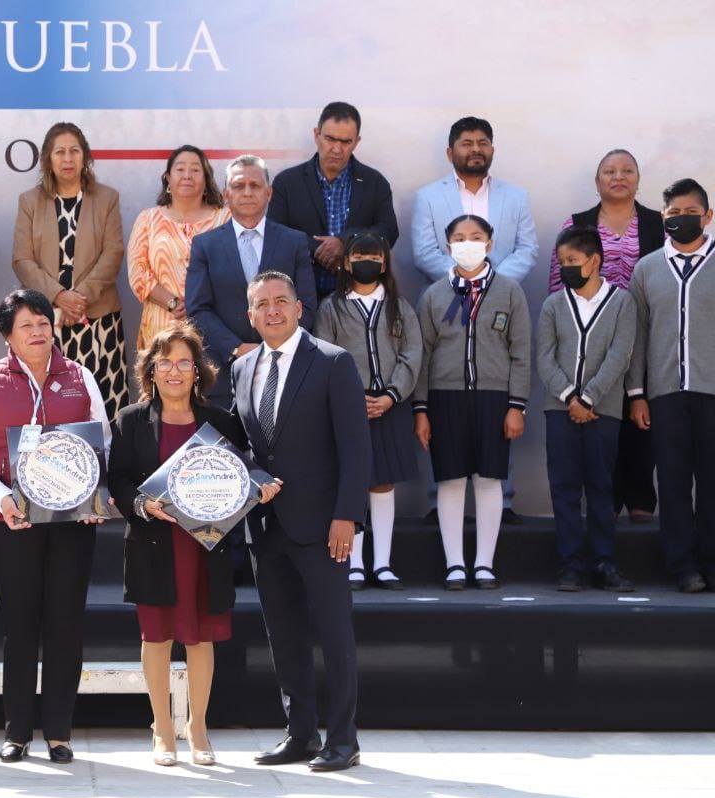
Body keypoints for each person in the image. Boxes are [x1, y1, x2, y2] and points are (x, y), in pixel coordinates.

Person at [108, 323, 280, 766]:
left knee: (202, 638)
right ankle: (162, 727)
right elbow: (120, 480)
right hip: (153, 543)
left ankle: (197, 725)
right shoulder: (130, 420)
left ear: (198, 371)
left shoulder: (219, 422)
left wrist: (261, 486)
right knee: (158, 637)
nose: (174, 371)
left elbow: (242, 472)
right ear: (151, 370)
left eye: (185, 362)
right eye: (164, 362)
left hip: (206, 549)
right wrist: (143, 505)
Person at [0, 289, 110, 764]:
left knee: (66, 623)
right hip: (14, 521)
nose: (38, 331)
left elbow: (101, 442)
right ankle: (17, 731)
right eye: (25, 325)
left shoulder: (79, 375)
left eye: (43, 322)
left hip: (73, 521)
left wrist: (96, 496)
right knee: (20, 626)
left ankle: (60, 732)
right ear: (7, 334)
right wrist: (2, 498)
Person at [232, 271, 369, 772]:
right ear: (250, 314)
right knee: (284, 635)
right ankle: (300, 734)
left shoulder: (333, 363)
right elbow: (242, 445)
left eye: (280, 301)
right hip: (266, 529)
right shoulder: (242, 369)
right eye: (261, 304)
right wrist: (250, 474)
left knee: (334, 634)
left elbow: (356, 450)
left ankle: (343, 739)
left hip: (322, 527)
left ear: (298, 307)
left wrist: (346, 517)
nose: (271, 310)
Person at [410, 117, 538, 524]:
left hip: (498, 303)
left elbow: (527, 249)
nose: (475, 149)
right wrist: (460, 280)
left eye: (483, 142)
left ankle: (503, 500)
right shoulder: (428, 197)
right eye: (466, 143)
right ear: (451, 152)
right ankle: (437, 500)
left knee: (496, 403)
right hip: (447, 303)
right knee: (447, 406)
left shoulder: (515, 197)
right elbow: (425, 251)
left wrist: (491, 282)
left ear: (493, 150)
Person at [412, 215, 531, 591]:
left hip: (495, 398)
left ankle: (484, 564)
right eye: (460, 238)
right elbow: (423, 355)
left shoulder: (510, 291)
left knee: (489, 479)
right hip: (444, 399)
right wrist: (421, 410)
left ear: (490, 244)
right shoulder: (433, 295)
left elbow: (521, 352)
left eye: (476, 237)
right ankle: (454, 564)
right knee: (449, 480)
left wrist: (517, 405)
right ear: (448, 248)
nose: (468, 243)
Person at [547, 150, 665, 524]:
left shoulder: (655, 223)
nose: (619, 177)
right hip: (588, 332)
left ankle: (641, 496)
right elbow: (557, 279)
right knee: (603, 411)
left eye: (627, 170)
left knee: (640, 407)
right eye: (609, 171)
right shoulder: (577, 222)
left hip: (644, 327)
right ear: (597, 181)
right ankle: (607, 499)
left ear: (638, 179)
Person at [315, 232, 422, 592]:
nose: (367, 262)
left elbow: (412, 353)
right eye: (359, 255)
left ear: (384, 263)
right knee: (353, 481)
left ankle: (384, 563)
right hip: (350, 408)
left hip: (391, 406)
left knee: (383, 482)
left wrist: (392, 395)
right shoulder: (332, 307)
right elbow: (325, 355)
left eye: (374, 257)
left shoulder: (399, 305)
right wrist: (350, 399)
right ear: (346, 262)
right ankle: (355, 562)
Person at [626, 178, 715, 594]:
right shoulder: (646, 269)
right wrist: (636, 394)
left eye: (690, 213)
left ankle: (711, 562)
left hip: (711, 391)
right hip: (664, 394)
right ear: (663, 218)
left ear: (708, 216)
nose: (682, 220)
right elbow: (638, 336)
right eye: (673, 214)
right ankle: (682, 566)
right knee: (675, 482)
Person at [537, 226, 636, 593]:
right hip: (559, 410)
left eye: (572, 261)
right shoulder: (552, 304)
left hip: (603, 410)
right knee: (563, 487)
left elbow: (620, 354)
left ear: (594, 261)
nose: (566, 268)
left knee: (600, 486)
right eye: (562, 262)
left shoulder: (622, 302)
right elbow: (544, 357)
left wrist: (590, 398)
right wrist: (569, 398)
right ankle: (570, 565)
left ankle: (604, 562)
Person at [12, 122, 128, 419]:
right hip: (48, 322)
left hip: (98, 320)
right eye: (59, 152)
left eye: (74, 151)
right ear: (48, 159)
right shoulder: (30, 201)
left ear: (85, 157)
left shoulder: (106, 198)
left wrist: (80, 298)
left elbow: (113, 252)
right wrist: (59, 296)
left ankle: (109, 465)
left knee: (104, 404)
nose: (67, 159)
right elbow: (22, 259)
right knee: (54, 404)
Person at [187, 154, 317, 409]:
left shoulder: (294, 242)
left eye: (255, 186)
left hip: (285, 370)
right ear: (225, 194)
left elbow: (307, 305)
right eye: (238, 186)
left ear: (268, 193)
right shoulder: (205, 245)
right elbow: (198, 309)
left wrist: (274, 347)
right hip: (224, 375)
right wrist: (237, 348)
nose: (247, 192)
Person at [268, 102, 399, 301]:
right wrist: (322, 251)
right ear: (316, 135)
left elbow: (388, 231)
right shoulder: (287, 182)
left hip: (358, 297)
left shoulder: (374, 182)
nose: (337, 149)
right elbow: (275, 233)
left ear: (356, 142)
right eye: (330, 139)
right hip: (300, 297)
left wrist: (345, 242)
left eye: (346, 141)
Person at [127, 145, 229, 349]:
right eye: (180, 169)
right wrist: (173, 303)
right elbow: (138, 272)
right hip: (160, 328)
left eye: (195, 170)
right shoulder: (148, 219)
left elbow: (233, 270)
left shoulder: (225, 218)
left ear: (206, 178)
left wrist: (199, 306)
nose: (187, 175)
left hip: (214, 326)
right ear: (168, 178)